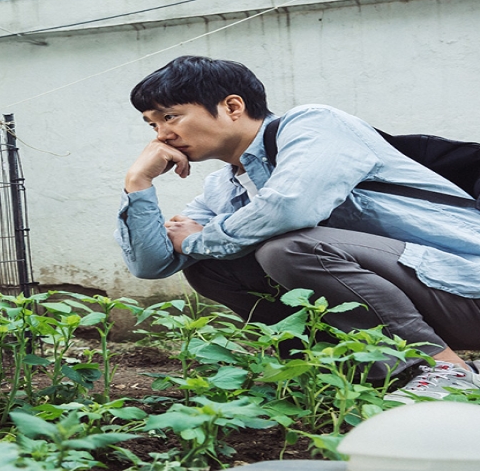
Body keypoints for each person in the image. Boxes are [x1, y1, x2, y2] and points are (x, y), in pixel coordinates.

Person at [115, 55, 480, 402]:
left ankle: (442, 370)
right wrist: (139, 181)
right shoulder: (224, 189)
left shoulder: (314, 124)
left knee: (288, 248)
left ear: (232, 107)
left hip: (465, 288)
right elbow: (153, 264)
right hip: (425, 300)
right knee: (210, 266)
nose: (161, 136)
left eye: (170, 117)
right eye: (152, 124)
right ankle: (341, 373)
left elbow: (291, 207)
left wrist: (198, 238)